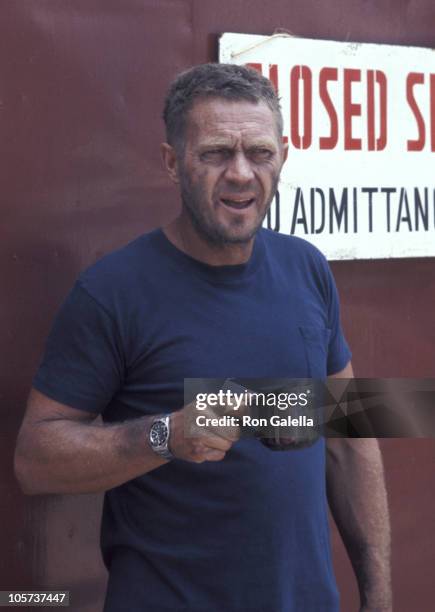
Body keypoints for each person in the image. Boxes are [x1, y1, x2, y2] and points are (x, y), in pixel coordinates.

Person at [14, 63, 392, 612]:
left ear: (282, 157)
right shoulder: (113, 292)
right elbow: (35, 459)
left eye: (259, 153)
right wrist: (166, 436)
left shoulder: (306, 269)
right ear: (173, 163)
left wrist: (378, 597)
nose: (241, 173)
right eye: (216, 152)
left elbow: (349, 442)